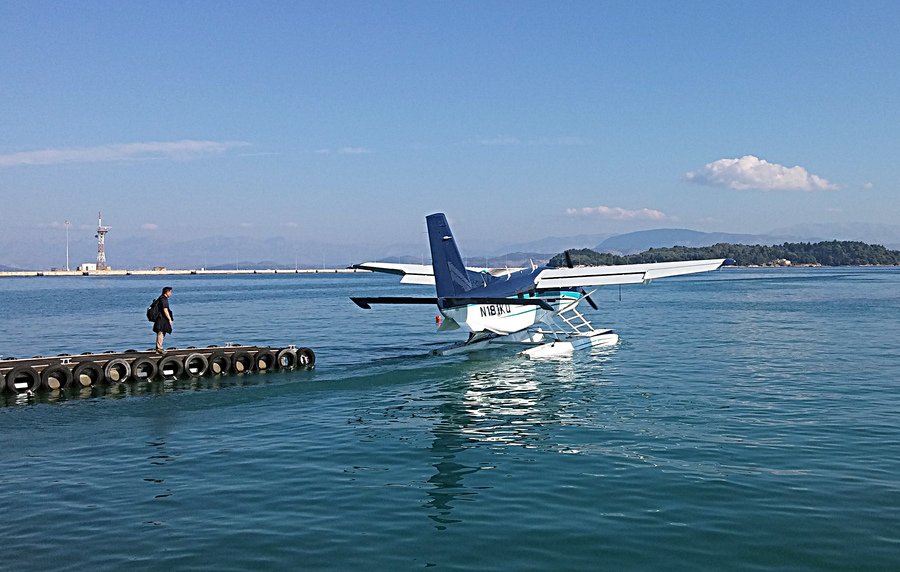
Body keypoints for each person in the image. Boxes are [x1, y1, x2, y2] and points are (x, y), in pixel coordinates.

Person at [153, 287, 174, 354]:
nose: (171, 293)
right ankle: (159, 348)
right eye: (170, 292)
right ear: (167, 292)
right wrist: (169, 319)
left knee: (162, 332)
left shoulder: (161, 298)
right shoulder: (163, 299)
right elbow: (165, 310)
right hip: (161, 318)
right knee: (161, 332)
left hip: (160, 318)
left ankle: (158, 348)